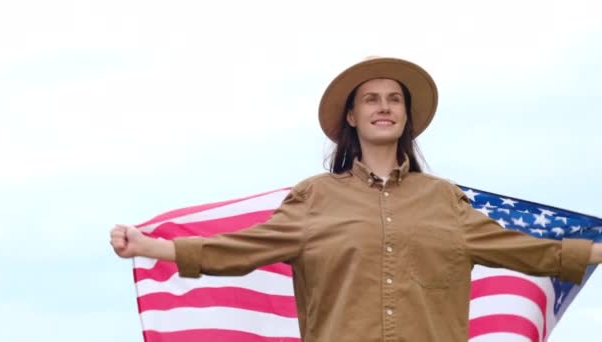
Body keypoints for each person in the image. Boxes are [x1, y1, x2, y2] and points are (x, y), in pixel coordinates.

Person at [110, 57, 602, 342]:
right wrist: (150, 247)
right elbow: (238, 249)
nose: (384, 107)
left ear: (407, 116)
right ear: (351, 117)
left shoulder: (445, 201)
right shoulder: (314, 199)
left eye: (394, 99)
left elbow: (532, 251)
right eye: (371, 98)